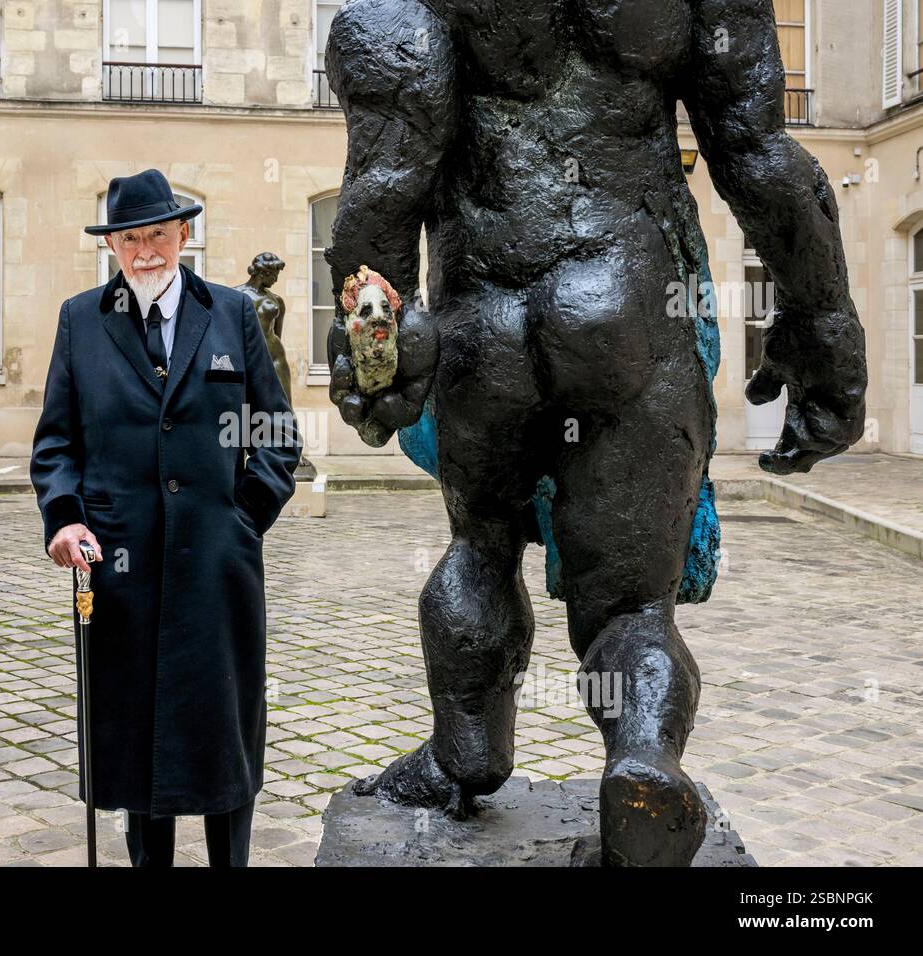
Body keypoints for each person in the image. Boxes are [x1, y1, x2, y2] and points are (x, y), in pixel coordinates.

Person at [324, 0, 867, 866]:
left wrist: (372, 351)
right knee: (630, 606)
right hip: (629, 305)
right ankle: (643, 762)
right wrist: (826, 331)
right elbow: (761, 157)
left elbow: (384, 190)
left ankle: (465, 755)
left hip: (484, 321)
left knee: (479, 548)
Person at [31, 168, 302, 866]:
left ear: (184, 234)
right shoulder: (80, 320)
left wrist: (245, 519)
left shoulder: (233, 314)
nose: (145, 252)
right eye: (130, 239)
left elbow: (276, 432)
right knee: (136, 738)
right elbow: (56, 442)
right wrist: (64, 518)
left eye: (158, 235)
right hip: (119, 569)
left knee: (224, 733)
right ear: (113, 246)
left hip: (218, 567)